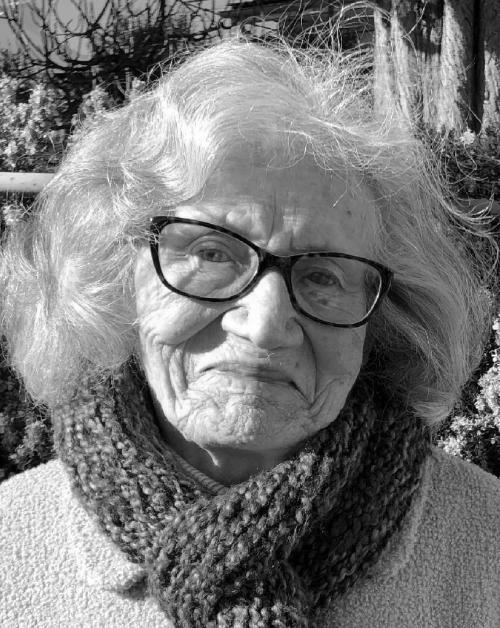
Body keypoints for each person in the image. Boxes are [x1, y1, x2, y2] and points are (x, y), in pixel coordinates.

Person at [1, 37, 499, 628]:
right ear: (112, 278)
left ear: (388, 319)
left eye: (324, 276)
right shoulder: (12, 545)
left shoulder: (484, 543)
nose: (265, 326)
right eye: (212, 253)